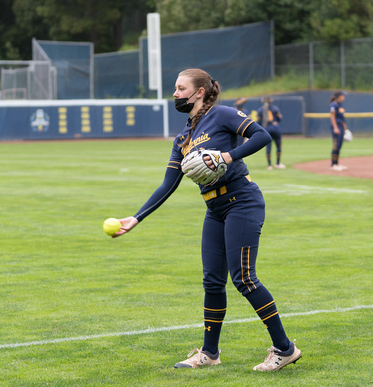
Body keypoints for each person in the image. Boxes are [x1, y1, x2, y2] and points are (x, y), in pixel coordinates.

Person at [113, 68, 301, 371]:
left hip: (242, 201)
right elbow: (168, 185)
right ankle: (209, 354)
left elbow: (261, 135)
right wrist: (136, 218)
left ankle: (285, 348)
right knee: (212, 281)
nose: (175, 94)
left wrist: (227, 157)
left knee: (244, 279)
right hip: (214, 210)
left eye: (180, 88)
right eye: (174, 89)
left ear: (199, 91)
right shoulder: (183, 137)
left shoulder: (222, 115)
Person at [257, 96, 285, 170]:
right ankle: (278, 163)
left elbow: (258, 121)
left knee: (268, 147)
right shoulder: (275, 108)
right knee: (278, 146)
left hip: (267, 128)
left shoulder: (260, 109)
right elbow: (279, 118)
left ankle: (269, 165)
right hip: (275, 127)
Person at [329, 91, 348, 171]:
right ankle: (333, 164)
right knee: (336, 145)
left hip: (340, 125)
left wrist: (345, 128)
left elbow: (342, 118)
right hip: (336, 125)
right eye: (343, 96)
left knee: (339, 145)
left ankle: (337, 163)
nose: (344, 97)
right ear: (339, 96)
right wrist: (335, 128)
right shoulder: (334, 105)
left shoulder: (340, 105)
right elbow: (332, 116)